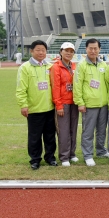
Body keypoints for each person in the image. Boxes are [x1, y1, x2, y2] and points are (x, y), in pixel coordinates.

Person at [16, 40, 57, 170]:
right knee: (35, 137)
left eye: (43, 50)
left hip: (50, 108)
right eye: (38, 50)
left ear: (46, 52)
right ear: (32, 51)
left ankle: (50, 158)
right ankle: (35, 159)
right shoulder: (25, 67)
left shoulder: (50, 66)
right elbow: (21, 88)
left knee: (50, 136)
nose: (41, 52)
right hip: (34, 109)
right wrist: (23, 105)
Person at [73, 38, 109, 166]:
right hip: (89, 105)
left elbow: (108, 84)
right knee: (88, 131)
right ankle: (88, 155)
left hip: (103, 104)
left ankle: (100, 150)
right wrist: (80, 102)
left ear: (99, 49)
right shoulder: (82, 65)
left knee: (101, 130)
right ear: (86, 49)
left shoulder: (103, 65)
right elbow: (77, 84)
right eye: (90, 48)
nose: (93, 51)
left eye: (95, 48)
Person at [50, 42, 79, 166]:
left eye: (71, 51)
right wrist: (59, 105)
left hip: (74, 103)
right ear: (61, 52)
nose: (69, 53)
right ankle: (64, 157)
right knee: (63, 131)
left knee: (73, 129)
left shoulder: (74, 66)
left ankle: (72, 154)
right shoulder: (56, 67)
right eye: (66, 50)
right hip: (63, 103)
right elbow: (55, 87)